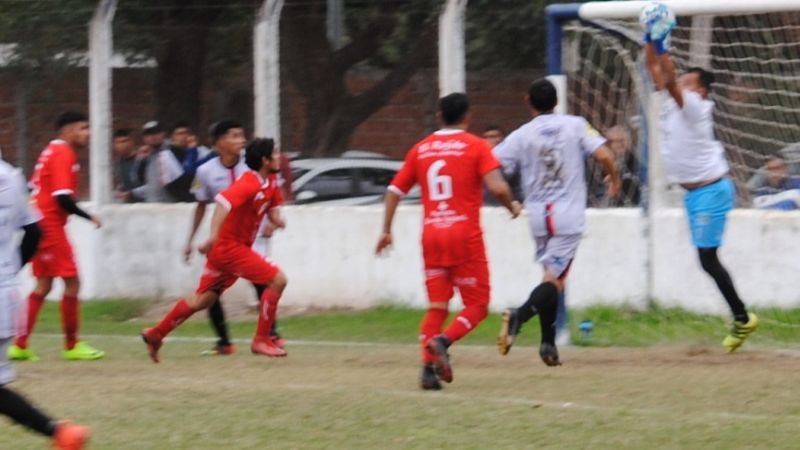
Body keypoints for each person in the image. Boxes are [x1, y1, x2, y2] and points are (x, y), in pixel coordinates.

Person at [375, 93, 522, 390]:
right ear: (468, 117)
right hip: (464, 235)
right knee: (477, 306)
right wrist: (512, 207)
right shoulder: (476, 146)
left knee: (437, 306)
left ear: (439, 116)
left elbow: (394, 191)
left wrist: (386, 230)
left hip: (431, 234)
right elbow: (497, 187)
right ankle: (443, 341)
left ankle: (427, 372)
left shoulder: (421, 148)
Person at [644, 21, 758, 351]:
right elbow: (655, 68)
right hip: (696, 195)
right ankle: (741, 317)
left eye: (687, 82)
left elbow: (665, 73)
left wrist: (662, 44)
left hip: (711, 191)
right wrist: (649, 37)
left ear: (701, 90)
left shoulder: (696, 106)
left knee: (708, 259)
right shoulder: (675, 101)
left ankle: (742, 319)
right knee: (706, 259)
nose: (679, 84)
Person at [494, 78, 621, 366]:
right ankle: (520, 315)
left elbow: (491, 163)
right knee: (555, 280)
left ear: (528, 102)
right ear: (557, 101)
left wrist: (509, 199)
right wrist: (614, 179)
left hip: (539, 215)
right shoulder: (575, 124)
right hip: (568, 215)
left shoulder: (521, 134)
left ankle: (548, 345)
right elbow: (604, 154)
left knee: (550, 278)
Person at [142, 138, 288, 362]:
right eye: (275, 154)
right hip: (230, 248)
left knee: (203, 300)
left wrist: (275, 221)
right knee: (277, 280)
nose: (280, 157)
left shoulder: (270, 182)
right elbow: (223, 203)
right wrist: (212, 237)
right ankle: (262, 339)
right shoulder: (249, 182)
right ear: (265, 160)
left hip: (228, 250)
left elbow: (273, 209)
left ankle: (156, 333)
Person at [0, 157, 90, 449]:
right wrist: (11, 271)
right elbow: (34, 231)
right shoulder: (12, 176)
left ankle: (58, 433)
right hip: (7, 294)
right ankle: (59, 433)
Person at [7, 111, 105, 362]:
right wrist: (89, 216)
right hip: (49, 225)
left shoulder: (51, 150)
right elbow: (62, 198)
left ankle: (20, 344)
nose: (87, 133)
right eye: (83, 128)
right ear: (68, 130)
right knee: (72, 282)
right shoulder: (63, 153)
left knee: (43, 285)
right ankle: (72, 346)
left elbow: (33, 188)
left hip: (40, 222)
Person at [184, 121, 284, 355]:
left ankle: (271, 334)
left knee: (265, 281)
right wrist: (192, 239)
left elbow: (272, 195)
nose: (241, 140)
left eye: (242, 135)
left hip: (253, 236)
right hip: (223, 238)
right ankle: (224, 341)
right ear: (219, 142)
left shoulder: (253, 166)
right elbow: (202, 205)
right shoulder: (204, 171)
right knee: (212, 291)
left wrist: (272, 221)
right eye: (234, 136)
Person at [112, 128, 140, 202]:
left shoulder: (142, 159)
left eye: (125, 141)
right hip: (127, 203)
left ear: (132, 142)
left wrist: (132, 193)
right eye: (119, 142)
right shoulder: (117, 163)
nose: (122, 145)